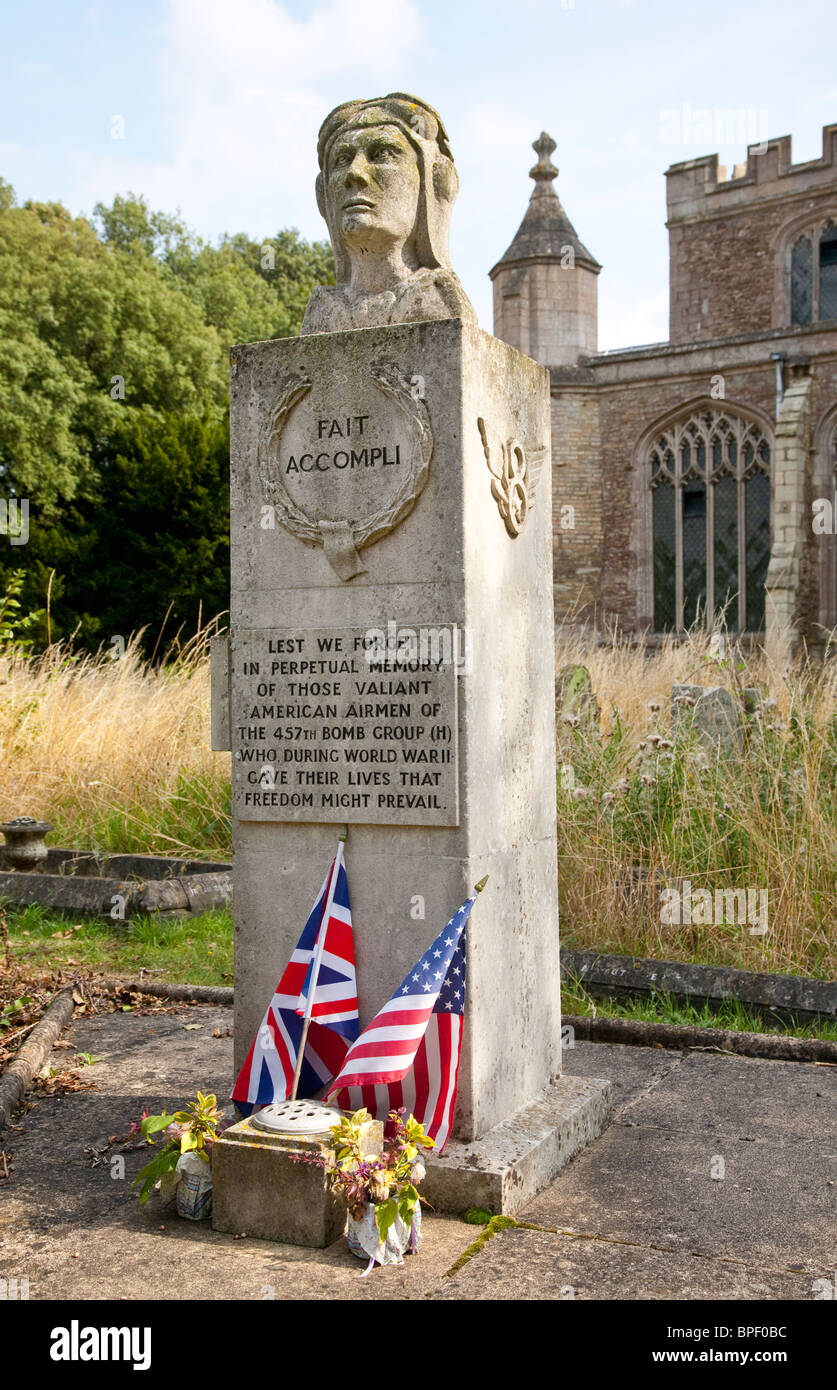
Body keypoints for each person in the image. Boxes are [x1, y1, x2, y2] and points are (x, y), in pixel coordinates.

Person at [301, 92, 477, 334]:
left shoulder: (436, 301)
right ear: (324, 196)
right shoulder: (323, 312)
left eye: (382, 154)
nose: (355, 173)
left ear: (433, 184)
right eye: (343, 159)